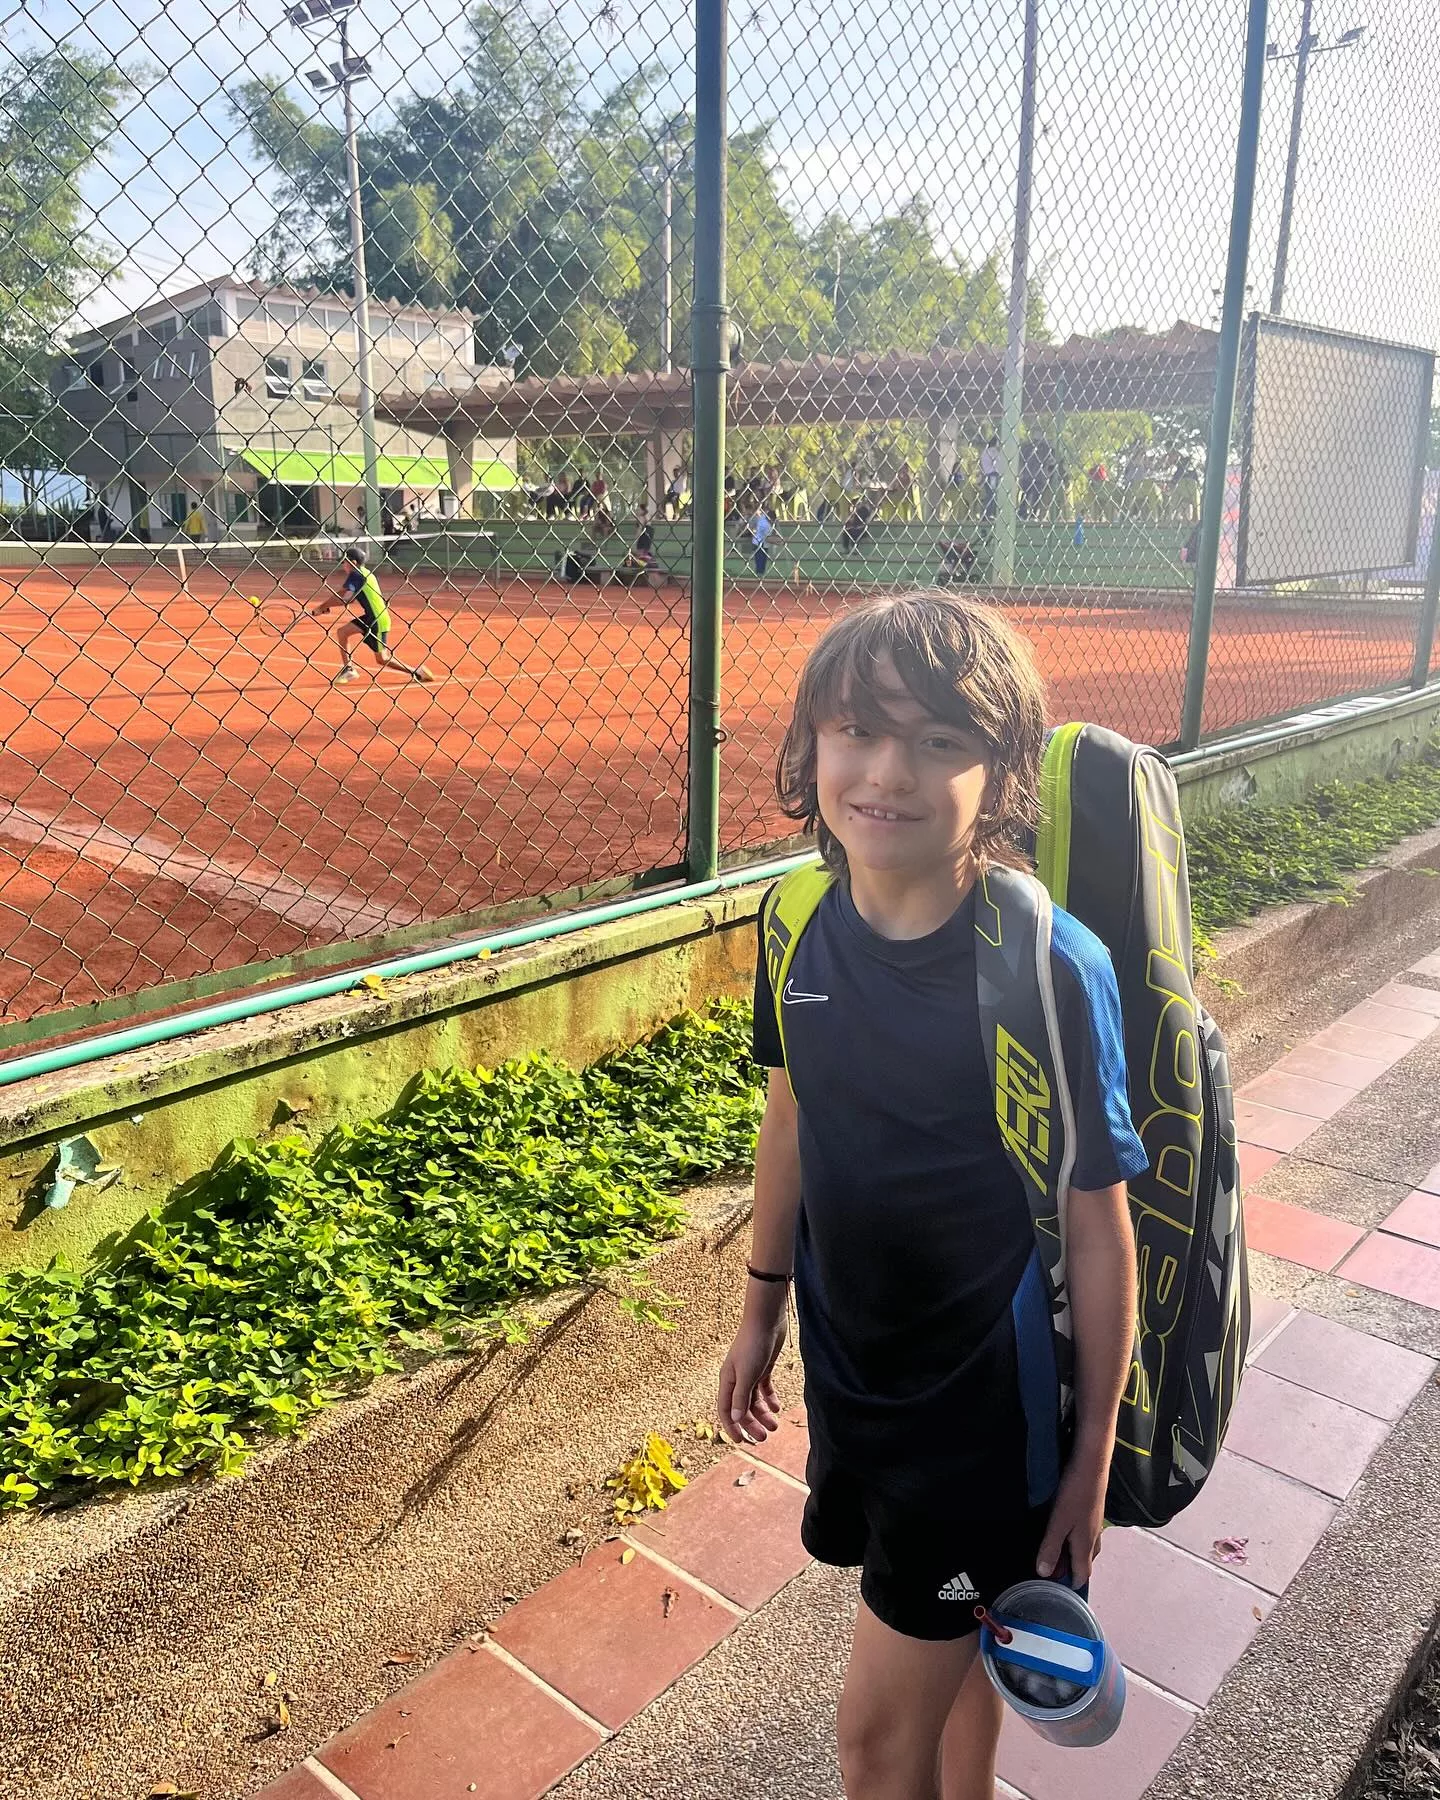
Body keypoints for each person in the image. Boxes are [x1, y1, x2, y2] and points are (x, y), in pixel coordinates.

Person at [718, 591, 1145, 1800]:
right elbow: (793, 1114)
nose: (887, 773)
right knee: (957, 1682)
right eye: (856, 730)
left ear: (1000, 770)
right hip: (857, 1377)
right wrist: (762, 1307)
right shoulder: (793, 918)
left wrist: (1089, 1456)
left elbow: (1102, 1223)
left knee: (871, 1739)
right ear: (808, 747)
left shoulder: (1047, 965)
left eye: (939, 741)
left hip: (981, 1423)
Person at [315, 548, 435, 685]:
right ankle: (349, 669)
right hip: (370, 617)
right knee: (342, 632)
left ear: (353, 562)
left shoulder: (357, 575)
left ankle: (417, 672)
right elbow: (343, 593)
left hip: (377, 620)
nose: (343, 566)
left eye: (344, 562)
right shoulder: (364, 573)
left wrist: (322, 607)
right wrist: (324, 606)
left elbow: (346, 598)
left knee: (382, 659)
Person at [749, 504, 775, 577]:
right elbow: (768, 538)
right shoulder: (766, 525)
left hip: (761, 542)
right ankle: (759, 574)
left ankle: (760, 574)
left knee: (763, 560)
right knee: (760, 560)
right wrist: (778, 542)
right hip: (759, 543)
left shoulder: (763, 518)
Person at [979, 437, 1000, 519]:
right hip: (993, 474)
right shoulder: (993, 451)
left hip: (987, 474)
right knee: (992, 494)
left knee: (989, 494)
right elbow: (997, 462)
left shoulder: (985, 451)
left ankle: (986, 513)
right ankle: (989, 513)